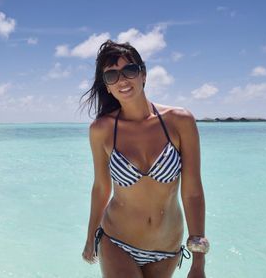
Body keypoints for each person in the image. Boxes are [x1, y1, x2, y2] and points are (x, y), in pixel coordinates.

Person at [80, 40, 208, 278]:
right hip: (116, 241)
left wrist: (198, 260)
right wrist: (90, 237)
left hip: (167, 249)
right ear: (106, 86)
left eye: (129, 71)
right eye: (111, 76)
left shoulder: (180, 121)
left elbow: (192, 192)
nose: (122, 80)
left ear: (143, 75)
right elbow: (100, 187)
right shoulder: (102, 129)